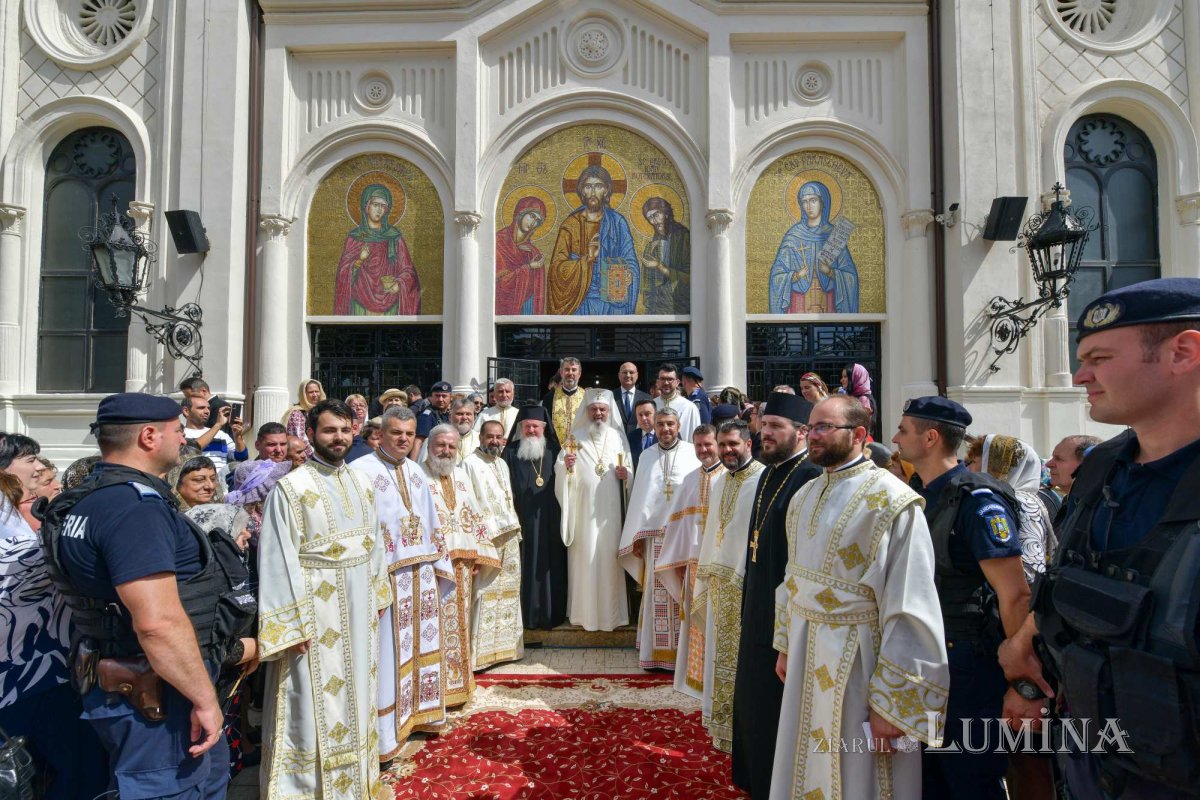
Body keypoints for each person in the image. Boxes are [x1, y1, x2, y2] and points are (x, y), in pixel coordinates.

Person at [998, 278, 1200, 799]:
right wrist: (1027, 659)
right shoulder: (1103, 468)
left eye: (1101, 357)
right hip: (1088, 761)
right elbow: (1066, 587)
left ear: (1184, 352)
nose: (1082, 375)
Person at [41, 393, 257, 799]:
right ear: (148, 436)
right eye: (178, 431)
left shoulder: (93, 496)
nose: (184, 440)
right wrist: (204, 699)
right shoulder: (134, 509)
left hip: (130, 680)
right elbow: (157, 622)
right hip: (155, 694)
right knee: (168, 788)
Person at [771, 395, 947, 800]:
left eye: (823, 427)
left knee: (862, 771)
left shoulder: (894, 502)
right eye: (810, 427)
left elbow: (911, 607)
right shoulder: (805, 495)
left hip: (861, 662)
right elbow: (792, 579)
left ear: (860, 434)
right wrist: (785, 643)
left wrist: (893, 704)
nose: (811, 436)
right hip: (805, 651)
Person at [891, 396, 1028, 800]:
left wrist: (1021, 682)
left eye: (903, 430)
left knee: (968, 778)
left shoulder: (977, 501)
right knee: (930, 779)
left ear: (931, 437)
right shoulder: (921, 492)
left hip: (968, 663)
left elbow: (1016, 594)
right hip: (928, 657)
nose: (895, 438)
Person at [256, 398, 391, 798]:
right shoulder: (290, 488)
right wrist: (288, 624)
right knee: (310, 699)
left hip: (359, 609)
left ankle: (358, 785)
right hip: (315, 616)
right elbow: (277, 557)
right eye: (330, 430)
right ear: (310, 434)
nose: (339, 437)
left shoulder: (362, 482)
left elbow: (375, 544)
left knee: (358, 696)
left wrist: (379, 593)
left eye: (345, 430)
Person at [0, 434, 107, 800]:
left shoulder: (16, 517)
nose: (39, 466)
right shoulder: (8, 526)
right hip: (23, 676)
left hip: (48, 671)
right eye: (30, 459)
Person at [350, 406, 455, 758]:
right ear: (380, 434)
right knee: (388, 653)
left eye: (409, 434)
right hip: (387, 577)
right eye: (397, 433)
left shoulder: (415, 472)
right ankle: (385, 733)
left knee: (420, 645)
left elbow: (430, 521)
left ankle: (420, 715)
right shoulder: (359, 471)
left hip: (422, 574)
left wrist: (441, 562)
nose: (404, 439)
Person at [731, 392, 821, 798]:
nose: (764, 433)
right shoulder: (768, 473)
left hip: (788, 616)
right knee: (753, 701)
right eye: (764, 426)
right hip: (758, 608)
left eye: (775, 428)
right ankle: (757, 778)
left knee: (776, 706)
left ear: (801, 433)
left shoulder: (810, 476)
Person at [693, 419, 764, 752]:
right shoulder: (721, 480)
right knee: (718, 658)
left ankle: (741, 729)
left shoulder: (762, 479)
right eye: (722, 445)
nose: (726, 450)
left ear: (748, 443)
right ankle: (720, 727)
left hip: (744, 585)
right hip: (719, 583)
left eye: (733, 444)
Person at [421, 425, 500, 708]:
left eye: (452, 447)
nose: (446, 451)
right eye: (441, 445)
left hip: (463, 566)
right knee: (434, 627)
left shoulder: (462, 476)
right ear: (429, 446)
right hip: (431, 568)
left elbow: (473, 514)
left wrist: (477, 554)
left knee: (460, 625)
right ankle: (434, 688)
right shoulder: (420, 477)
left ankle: (459, 684)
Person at [620, 407, 700, 669]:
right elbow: (640, 498)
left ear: (678, 426)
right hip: (655, 538)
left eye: (670, 424)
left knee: (683, 590)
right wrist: (637, 539)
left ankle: (684, 653)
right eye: (661, 424)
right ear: (653, 427)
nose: (666, 429)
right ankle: (656, 655)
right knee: (656, 592)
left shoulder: (692, 454)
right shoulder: (646, 456)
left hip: (684, 536)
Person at [555, 388, 632, 632]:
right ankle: (583, 614)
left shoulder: (619, 438)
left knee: (610, 559)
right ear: (587, 412)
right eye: (594, 410)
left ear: (609, 412)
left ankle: (613, 616)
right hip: (583, 513)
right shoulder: (574, 438)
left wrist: (626, 476)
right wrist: (565, 468)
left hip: (610, 515)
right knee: (584, 559)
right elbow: (560, 471)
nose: (598, 413)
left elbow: (630, 470)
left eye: (602, 410)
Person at [655, 424, 721, 696]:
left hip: (720, 567)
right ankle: (694, 679)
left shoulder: (729, 477)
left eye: (708, 444)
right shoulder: (690, 480)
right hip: (694, 566)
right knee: (695, 623)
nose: (704, 450)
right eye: (699, 445)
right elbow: (678, 527)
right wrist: (678, 561)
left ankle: (717, 680)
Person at [464, 419, 525, 669]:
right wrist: (476, 544)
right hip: (486, 540)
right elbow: (468, 505)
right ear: (480, 437)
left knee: (508, 593)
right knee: (484, 593)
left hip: (509, 536)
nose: (495, 441)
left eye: (499, 437)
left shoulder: (501, 463)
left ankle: (506, 650)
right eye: (490, 436)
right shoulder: (468, 464)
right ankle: (480, 654)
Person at [502, 405, 568, 630]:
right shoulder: (510, 452)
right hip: (522, 520)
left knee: (549, 567)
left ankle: (551, 614)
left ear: (544, 428)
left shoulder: (555, 451)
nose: (531, 430)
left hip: (550, 519)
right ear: (520, 428)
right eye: (527, 426)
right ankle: (524, 616)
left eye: (535, 426)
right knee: (525, 565)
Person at [547, 163, 640, 315]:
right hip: (579, 299)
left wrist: (629, 274)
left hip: (612, 300)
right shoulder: (570, 225)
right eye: (588, 186)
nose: (592, 192)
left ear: (606, 190)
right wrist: (587, 259)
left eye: (598, 186)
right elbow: (556, 269)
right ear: (582, 191)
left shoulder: (618, 222)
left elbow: (630, 259)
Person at [966, 434, 1058, 583]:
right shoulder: (1013, 497)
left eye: (973, 462)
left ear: (999, 465)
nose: (968, 469)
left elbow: (1030, 570)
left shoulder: (1022, 501)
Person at [767, 180, 859, 313]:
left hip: (829, 305)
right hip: (799, 304)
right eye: (804, 201)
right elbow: (777, 276)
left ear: (823, 203)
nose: (808, 206)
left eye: (813, 200)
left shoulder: (834, 235)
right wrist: (796, 275)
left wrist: (831, 272)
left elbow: (851, 277)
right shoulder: (793, 236)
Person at [333, 183, 421, 314]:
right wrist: (359, 260)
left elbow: (408, 271)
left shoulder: (395, 238)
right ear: (366, 207)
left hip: (391, 304)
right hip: (360, 306)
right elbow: (343, 276)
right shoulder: (356, 238)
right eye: (375, 205)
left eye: (383, 206)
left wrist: (399, 284)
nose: (379, 210)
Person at [495, 195, 548, 314]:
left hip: (523, 312)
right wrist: (528, 267)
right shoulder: (498, 241)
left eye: (538, 221)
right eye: (532, 216)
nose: (533, 222)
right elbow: (497, 283)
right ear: (520, 213)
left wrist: (535, 269)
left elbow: (536, 292)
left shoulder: (533, 252)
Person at [639, 196, 690, 314]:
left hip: (678, 303)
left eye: (656, 214)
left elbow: (690, 277)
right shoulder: (654, 242)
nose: (654, 221)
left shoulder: (682, 237)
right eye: (650, 218)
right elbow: (649, 282)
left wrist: (659, 266)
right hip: (658, 303)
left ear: (666, 213)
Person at [182, 395, 246, 481]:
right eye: (201, 408)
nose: (207, 411)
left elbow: (241, 457)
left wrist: (237, 436)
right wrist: (218, 424)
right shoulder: (181, 434)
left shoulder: (221, 434)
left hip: (222, 489)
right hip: (196, 486)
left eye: (208, 408)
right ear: (186, 411)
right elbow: (193, 450)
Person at [1043, 433, 1101, 521]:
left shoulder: (1099, 511)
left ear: (1086, 464)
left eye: (1059, 459)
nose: (1048, 464)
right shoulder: (1070, 503)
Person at [542, 356, 584, 448]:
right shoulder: (549, 397)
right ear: (561, 372)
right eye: (567, 369)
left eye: (574, 370)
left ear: (579, 374)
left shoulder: (586, 397)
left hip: (580, 450)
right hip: (554, 450)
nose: (570, 373)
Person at [654, 363, 700, 442]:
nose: (666, 383)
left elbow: (696, 438)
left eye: (670, 379)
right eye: (662, 379)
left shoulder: (689, 407)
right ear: (657, 382)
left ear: (677, 382)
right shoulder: (651, 406)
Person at [282, 379, 324, 456]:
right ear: (303, 394)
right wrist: (316, 457)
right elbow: (300, 440)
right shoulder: (297, 414)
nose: (315, 395)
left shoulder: (323, 411)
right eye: (311, 392)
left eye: (317, 391)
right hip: (307, 458)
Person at [414, 380, 453, 460]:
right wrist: (412, 465)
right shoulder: (427, 415)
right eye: (437, 396)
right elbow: (418, 442)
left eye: (444, 396)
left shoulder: (446, 414)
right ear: (431, 397)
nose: (441, 399)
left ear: (450, 398)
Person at [476, 378, 519, 442]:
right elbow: (475, 436)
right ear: (495, 394)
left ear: (512, 394)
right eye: (500, 392)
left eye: (507, 391)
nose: (504, 395)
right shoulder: (484, 414)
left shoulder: (519, 414)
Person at [615, 362, 651, 432]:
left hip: (638, 440)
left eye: (631, 372)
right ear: (619, 375)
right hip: (616, 439)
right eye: (624, 372)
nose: (628, 375)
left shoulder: (647, 398)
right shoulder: (611, 396)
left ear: (637, 375)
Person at [628, 398, 658, 467]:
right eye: (640, 415)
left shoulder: (664, 435)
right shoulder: (631, 438)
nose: (643, 418)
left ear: (656, 414)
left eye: (647, 414)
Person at [449, 397, 479, 463]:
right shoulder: (437, 438)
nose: (464, 417)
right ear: (450, 416)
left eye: (468, 414)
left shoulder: (481, 439)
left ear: (474, 416)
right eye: (459, 414)